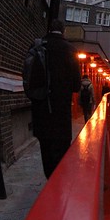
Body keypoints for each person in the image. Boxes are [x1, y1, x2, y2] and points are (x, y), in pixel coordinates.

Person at [30, 19, 81, 179]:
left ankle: (49, 179)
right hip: (61, 112)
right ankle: (58, 186)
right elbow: (76, 86)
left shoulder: (37, 46)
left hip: (40, 110)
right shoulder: (70, 50)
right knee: (61, 150)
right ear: (63, 31)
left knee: (45, 148)